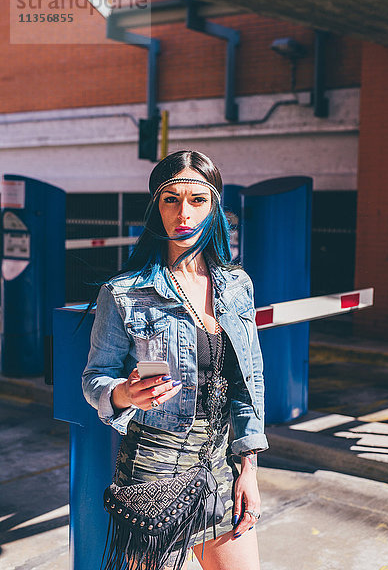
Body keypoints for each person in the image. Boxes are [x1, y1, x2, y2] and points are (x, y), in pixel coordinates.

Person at [82, 150, 268, 570]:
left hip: (220, 467)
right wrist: (124, 393)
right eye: (171, 199)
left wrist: (249, 469)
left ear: (215, 206)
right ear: (156, 208)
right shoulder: (124, 292)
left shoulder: (237, 286)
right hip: (153, 473)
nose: (184, 212)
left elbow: (248, 383)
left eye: (197, 199)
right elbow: (96, 377)